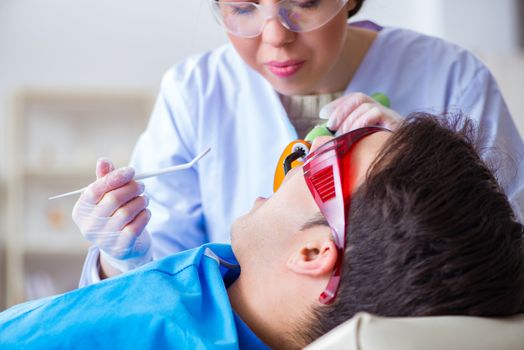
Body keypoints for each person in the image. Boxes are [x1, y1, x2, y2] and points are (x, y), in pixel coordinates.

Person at [74, 0, 524, 284]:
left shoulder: (451, 77)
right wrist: (120, 257)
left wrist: (428, 165)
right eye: (243, 8)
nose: (275, 36)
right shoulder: (196, 89)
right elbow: (161, 282)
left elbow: (509, 250)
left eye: (303, 2)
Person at [1, 114, 524, 349]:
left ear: (316, 250)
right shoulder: (233, 280)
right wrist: (122, 264)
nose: (303, 152)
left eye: (329, 160)